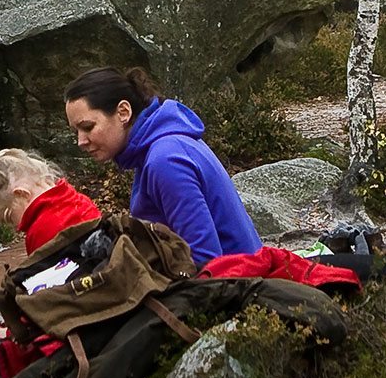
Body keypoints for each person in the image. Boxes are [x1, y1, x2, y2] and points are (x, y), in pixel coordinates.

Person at [63, 66, 261, 265]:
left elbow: (205, 260)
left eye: (88, 127)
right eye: (76, 132)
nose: (81, 141)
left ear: (123, 112)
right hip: (242, 279)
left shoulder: (165, 160)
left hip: (237, 286)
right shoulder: (160, 147)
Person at [0, 147, 102, 254]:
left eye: (9, 217)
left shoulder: (40, 232)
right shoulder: (80, 200)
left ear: (21, 194)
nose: (16, 228)